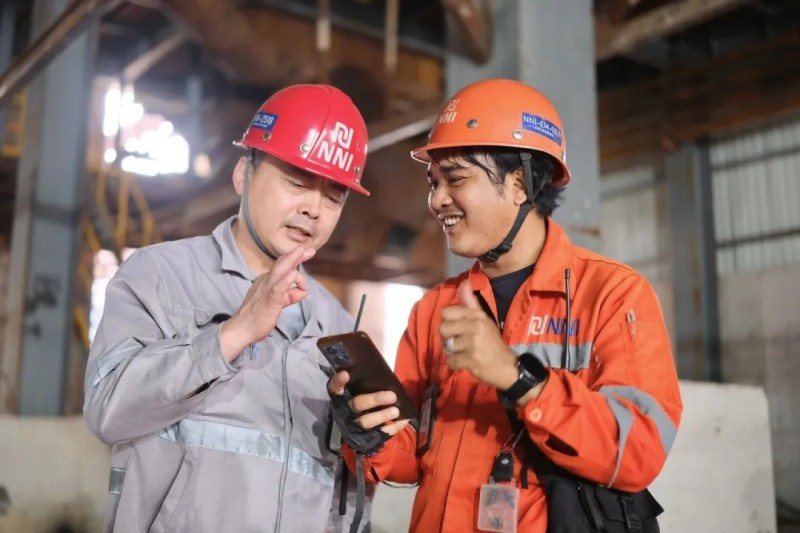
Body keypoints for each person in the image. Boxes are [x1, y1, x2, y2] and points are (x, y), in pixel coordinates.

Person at [329, 78, 683, 532]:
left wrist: (522, 380)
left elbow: (638, 451)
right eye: (433, 183)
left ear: (519, 183)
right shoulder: (433, 310)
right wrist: (369, 433)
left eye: (455, 178)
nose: (437, 200)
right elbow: (410, 458)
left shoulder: (612, 295)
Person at [84, 84, 374, 533]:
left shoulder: (335, 325)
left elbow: (344, 494)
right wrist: (231, 335)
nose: (314, 209)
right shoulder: (160, 276)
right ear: (243, 174)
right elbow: (107, 411)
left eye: (334, 196)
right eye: (297, 183)